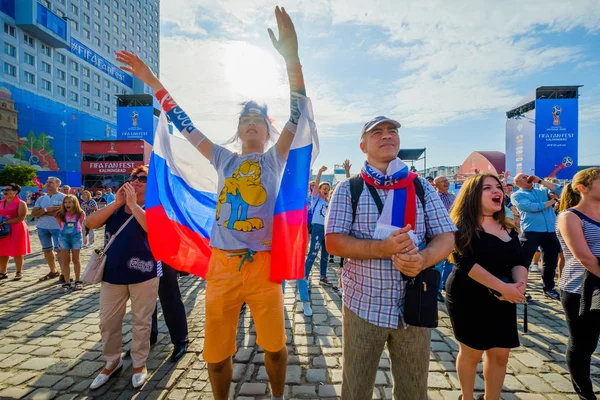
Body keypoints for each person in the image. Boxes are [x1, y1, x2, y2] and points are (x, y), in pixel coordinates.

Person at [116, 7, 306, 399]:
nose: (251, 121)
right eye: (245, 118)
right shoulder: (224, 158)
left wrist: (291, 58)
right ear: (238, 130)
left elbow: (299, 110)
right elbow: (185, 123)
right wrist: (152, 82)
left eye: (258, 117)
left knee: (274, 347)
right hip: (221, 268)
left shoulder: (275, 157)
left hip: (265, 268)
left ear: (268, 130)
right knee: (215, 357)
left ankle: (278, 395)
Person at [325, 116, 456, 399]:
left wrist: (423, 258)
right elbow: (333, 241)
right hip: (364, 305)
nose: (387, 135)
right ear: (363, 145)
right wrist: (381, 249)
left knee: (414, 390)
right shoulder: (349, 189)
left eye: (392, 131)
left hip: (414, 305)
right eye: (377, 132)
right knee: (356, 388)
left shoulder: (420, 186)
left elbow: (446, 237)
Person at [445, 174, 527, 400]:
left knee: (501, 354)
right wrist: (503, 288)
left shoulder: (507, 226)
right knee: (471, 352)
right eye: (487, 188)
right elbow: (465, 263)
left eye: (498, 187)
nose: (496, 191)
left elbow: (518, 260)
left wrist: (519, 286)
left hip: (504, 296)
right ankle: (467, 397)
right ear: (472, 195)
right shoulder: (460, 226)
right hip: (468, 296)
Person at [87, 166, 161, 390]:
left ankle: (139, 364)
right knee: (108, 322)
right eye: (133, 177)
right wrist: (117, 203)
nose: (136, 181)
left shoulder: (155, 207)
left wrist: (134, 205)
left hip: (145, 273)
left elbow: (153, 229)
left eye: (142, 178)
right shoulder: (117, 207)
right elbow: (91, 223)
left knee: (141, 322)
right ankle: (112, 361)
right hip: (112, 273)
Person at [556, 167, 600, 400]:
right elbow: (585, 258)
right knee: (583, 344)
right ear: (583, 188)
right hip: (581, 288)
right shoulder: (569, 216)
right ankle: (585, 393)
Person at [512, 173, 563, 300]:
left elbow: (560, 189)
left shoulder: (542, 190)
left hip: (550, 231)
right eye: (522, 177)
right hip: (531, 232)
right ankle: (520, 289)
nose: (527, 177)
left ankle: (549, 288)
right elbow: (532, 207)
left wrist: (540, 180)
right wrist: (552, 201)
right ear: (517, 183)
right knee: (524, 262)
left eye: (527, 176)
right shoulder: (517, 195)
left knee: (550, 262)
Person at [298, 165, 331, 317]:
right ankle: (304, 275)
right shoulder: (316, 198)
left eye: (327, 188)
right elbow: (316, 186)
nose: (325, 189)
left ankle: (323, 276)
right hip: (317, 227)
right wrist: (319, 173)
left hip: (327, 230)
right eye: (323, 187)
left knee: (325, 254)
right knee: (313, 253)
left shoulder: (329, 203)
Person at [31, 177, 66, 282]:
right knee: (47, 250)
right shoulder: (41, 198)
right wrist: (47, 210)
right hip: (42, 227)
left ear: (57, 185)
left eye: (51, 182)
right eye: (47, 182)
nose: (48, 184)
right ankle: (53, 271)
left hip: (58, 228)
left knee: (60, 251)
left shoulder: (63, 198)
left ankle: (64, 273)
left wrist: (42, 212)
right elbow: (33, 213)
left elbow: (64, 213)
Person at [0, 183, 31, 280]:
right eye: (4, 190)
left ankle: (19, 272)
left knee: (17, 250)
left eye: (7, 189)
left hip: (17, 228)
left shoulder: (21, 203)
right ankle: (3, 272)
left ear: (15, 191)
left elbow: (21, 217)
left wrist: (5, 222)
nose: (5, 191)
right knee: (2, 251)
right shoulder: (1, 202)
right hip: (3, 229)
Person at [55, 195, 86, 292]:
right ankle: (67, 282)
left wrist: (84, 237)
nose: (68, 204)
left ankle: (78, 281)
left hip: (76, 237)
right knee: (65, 260)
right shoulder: (60, 214)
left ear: (75, 203)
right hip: (64, 237)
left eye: (70, 202)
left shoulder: (80, 213)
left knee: (76, 259)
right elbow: (60, 225)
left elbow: (81, 225)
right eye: (66, 202)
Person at [433, 175, 456, 302]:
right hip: (439, 234)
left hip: (453, 233)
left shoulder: (453, 197)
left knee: (450, 262)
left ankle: (447, 287)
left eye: (446, 180)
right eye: (443, 181)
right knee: (438, 263)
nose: (446, 183)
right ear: (436, 185)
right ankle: (436, 290)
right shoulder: (434, 198)